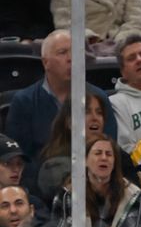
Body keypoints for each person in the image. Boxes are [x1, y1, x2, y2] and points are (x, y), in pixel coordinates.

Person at [6, 30, 116, 169]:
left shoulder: (99, 97)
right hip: (43, 183)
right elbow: (19, 159)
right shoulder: (24, 101)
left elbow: (111, 147)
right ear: (46, 62)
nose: (71, 58)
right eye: (62, 52)